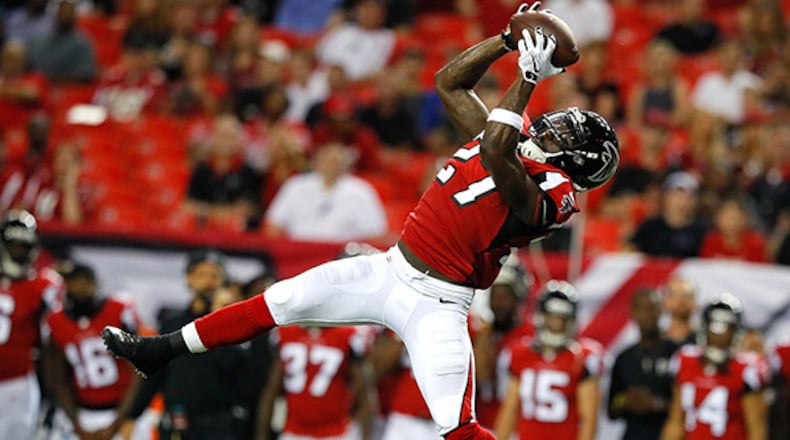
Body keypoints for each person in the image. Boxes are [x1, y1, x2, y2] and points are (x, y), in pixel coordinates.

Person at [102, 3, 620, 438]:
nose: (554, 128)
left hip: (438, 305)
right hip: (389, 268)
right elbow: (449, 83)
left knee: (455, 425)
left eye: (566, 136)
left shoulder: (556, 195)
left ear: (578, 164)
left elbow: (497, 152)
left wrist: (528, 79)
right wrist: (504, 41)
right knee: (279, 301)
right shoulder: (518, 135)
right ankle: (159, 350)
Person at [120, 250, 253, 440]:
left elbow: (235, 368)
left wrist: (220, 318)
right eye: (201, 275)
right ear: (189, 279)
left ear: (223, 284)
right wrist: (132, 416)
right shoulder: (172, 323)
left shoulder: (235, 324)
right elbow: (155, 375)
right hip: (176, 427)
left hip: (217, 428)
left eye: (214, 276)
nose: (208, 281)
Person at [43, 262, 142, 439]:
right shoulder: (55, 320)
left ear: (96, 284)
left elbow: (138, 369)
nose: (81, 288)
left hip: (121, 409)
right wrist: (75, 423)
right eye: (75, 282)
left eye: (86, 282)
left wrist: (120, 421)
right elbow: (56, 378)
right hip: (83, 412)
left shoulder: (117, 311)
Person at [493, 281, 603, 440]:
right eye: (551, 318)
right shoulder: (520, 354)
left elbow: (589, 421)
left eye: (561, 319)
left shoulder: (581, 359)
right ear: (540, 317)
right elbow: (509, 410)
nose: (556, 325)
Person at [660, 294, 769, 440]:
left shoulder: (747, 370)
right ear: (704, 327)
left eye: (727, 327)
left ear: (736, 331)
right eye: (714, 326)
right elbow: (676, 421)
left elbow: (757, 430)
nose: (719, 336)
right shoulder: (685, 361)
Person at [0, 209, 63, 439]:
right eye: (13, 245)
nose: (18, 252)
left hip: (19, 384)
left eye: (23, 246)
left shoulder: (44, 285)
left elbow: (56, 341)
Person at [256, 325, 376, 440]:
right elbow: (272, 388)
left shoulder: (348, 335)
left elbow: (365, 393)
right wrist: (261, 435)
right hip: (294, 431)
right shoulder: (284, 333)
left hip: (335, 433)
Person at [608, 289, 679, 440]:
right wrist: (626, 400)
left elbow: (691, 403)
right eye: (641, 308)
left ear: (661, 311)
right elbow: (611, 408)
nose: (646, 314)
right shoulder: (624, 358)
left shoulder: (677, 353)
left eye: (651, 308)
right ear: (632, 313)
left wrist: (657, 404)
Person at [661, 278, 697, 346]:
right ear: (665, 302)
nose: (681, 301)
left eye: (687, 296)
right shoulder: (655, 341)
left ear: (695, 303)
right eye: (675, 295)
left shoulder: (704, 341)